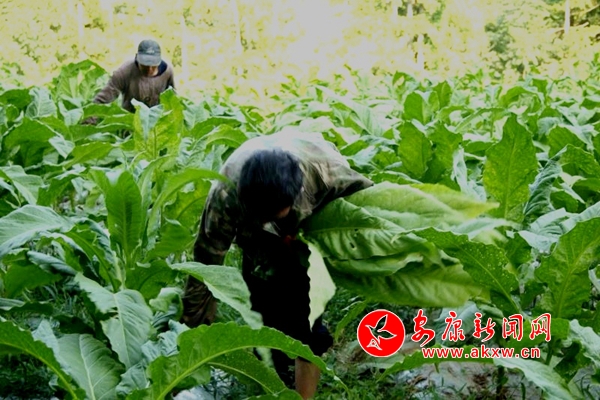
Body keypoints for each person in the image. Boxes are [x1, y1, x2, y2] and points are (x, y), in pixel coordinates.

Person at [182, 130, 373, 399]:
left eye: (274, 215)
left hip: (307, 230)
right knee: (263, 312)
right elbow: (206, 265)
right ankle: (271, 378)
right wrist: (190, 334)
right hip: (256, 241)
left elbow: (370, 207)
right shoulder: (225, 196)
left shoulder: (327, 173)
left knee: (307, 323)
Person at [90, 39, 175, 114]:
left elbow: (173, 100)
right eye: (145, 65)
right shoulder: (124, 72)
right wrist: (88, 121)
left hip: (158, 123)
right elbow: (103, 99)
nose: (149, 69)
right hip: (130, 121)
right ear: (137, 58)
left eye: (153, 65)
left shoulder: (167, 72)